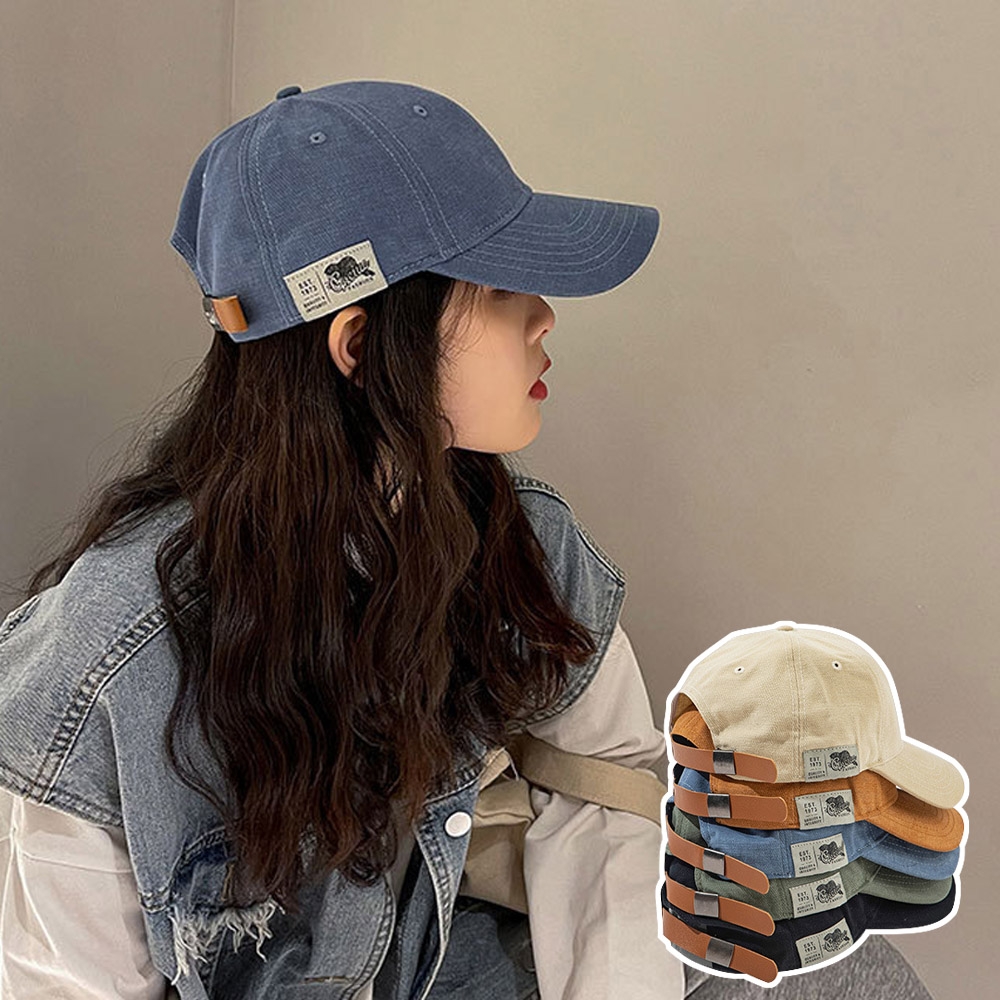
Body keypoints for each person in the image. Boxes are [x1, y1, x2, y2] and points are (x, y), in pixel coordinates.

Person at [0, 80, 936, 1000]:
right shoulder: (109, 659)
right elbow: (63, 981)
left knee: (847, 972)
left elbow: (602, 794)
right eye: (496, 286)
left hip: (456, 962)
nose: (544, 315)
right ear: (358, 345)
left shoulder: (522, 540)